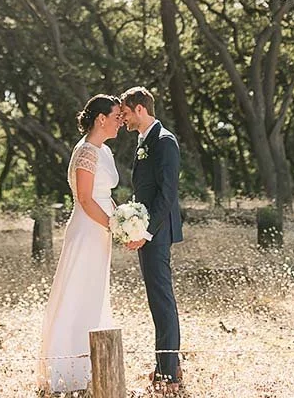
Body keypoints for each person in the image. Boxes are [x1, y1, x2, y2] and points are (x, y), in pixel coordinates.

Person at [38, 94, 121, 393]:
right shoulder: (86, 151)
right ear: (101, 119)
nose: (120, 121)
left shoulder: (104, 152)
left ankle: (92, 364)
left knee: (95, 291)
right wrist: (113, 223)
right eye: (116, 117)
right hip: (88, 228)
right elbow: (85, 199)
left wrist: (121, 218)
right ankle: (69, 368)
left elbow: (104, 195)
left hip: (101, 228)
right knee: (79, 291)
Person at [120, 86, 183, 393]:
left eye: (127, 112)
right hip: (147, 231)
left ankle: (169, 373)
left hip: (156, 232)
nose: (124, 118)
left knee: (161, 299)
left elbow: (167, 193)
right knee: (156, 299)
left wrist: (145, 232)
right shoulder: (143, 140)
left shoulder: (164, 141)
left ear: (141, 109)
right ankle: (167, 365)